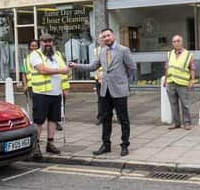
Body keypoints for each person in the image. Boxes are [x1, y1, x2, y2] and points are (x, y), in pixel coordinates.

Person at [70, 28, 135, 157]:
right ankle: (106, 145)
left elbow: (131, 68)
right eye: (104, 37)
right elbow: (93, 66)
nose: (106, 38)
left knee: (123, 119)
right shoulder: (102, 51)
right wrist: (76, 66)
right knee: (106, 119)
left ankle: (124, 145)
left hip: (119, 90)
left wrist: (123, 81)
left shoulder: (123, 50)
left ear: (113, 36)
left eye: (108, 36)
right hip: (105, 90)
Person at [30, 33, 70, 160]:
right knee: (39, 121)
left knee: (53, 120)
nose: (47, 44)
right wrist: (61, 71)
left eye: (49, 41)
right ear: (40, 42)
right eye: (44, 41)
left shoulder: (57, 54)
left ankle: (50, 144)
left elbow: (64, 73)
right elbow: (43, 70)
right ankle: (35, 147)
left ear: (52, 42)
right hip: (41, 93)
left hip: (56, 93)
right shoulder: (35, 55)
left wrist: (65, 88)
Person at [163, 34, 195, 130]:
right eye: (174, 41)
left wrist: (192, 80)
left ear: (182, 42)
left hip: (182, 83)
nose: (176, 43)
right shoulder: (169, 54)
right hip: (171, 82)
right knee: (173, 104)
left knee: (185, 104)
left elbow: (192, 68)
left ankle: (187, 123)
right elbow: (167, 68)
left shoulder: (188, 55)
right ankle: (176, 123)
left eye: (178, 41)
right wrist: (165, 79)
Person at [21, 39, 39, 119]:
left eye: (36, 46)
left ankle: (53, 121)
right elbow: (24, 74)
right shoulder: (25, 60)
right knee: (34, 104)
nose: (34, 47)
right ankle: (35, 120)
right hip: (31, 85)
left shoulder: (42, 58)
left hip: (42, 85)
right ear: (29, 47)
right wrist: (24, 85)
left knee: (46, 104)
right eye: (32, 46)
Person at [93, 33, 105, 125]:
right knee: (101, 98)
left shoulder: (111, 50)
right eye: (100, 39)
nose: (101, 40)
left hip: (109, 78)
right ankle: (100, 117)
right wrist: (99, 76)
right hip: (99, 78)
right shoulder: (96, 51)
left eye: (103, 38)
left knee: (114, 97)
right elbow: (95, 65)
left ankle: (112, 115)